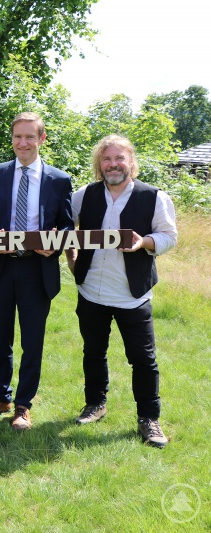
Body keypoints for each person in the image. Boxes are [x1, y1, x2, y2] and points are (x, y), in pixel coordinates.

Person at [66, 135, 177, 448]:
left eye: (119, 159)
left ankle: (149, 419)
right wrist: (73, 262)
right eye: (106, 159)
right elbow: (62, 231)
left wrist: (144, 242)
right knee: (93, 351)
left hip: (133, 295)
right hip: (91, 292)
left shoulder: (154, 197)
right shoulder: (83, 195)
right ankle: (95, 403)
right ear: (99, 164)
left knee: (143, 359)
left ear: (131, 161)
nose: (112, 165)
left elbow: (169, 237)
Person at [0, 112, 74, 430]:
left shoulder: (59, 179)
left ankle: (23, 406)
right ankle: (0, 398)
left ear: (41, 139)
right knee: (0, 338)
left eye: (30, 136)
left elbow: (68, 224)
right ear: (12, 138)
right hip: (2, 266)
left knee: (32, 340)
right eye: (18, 136)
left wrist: (55, 245)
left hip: (37, 268)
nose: (23, 142)